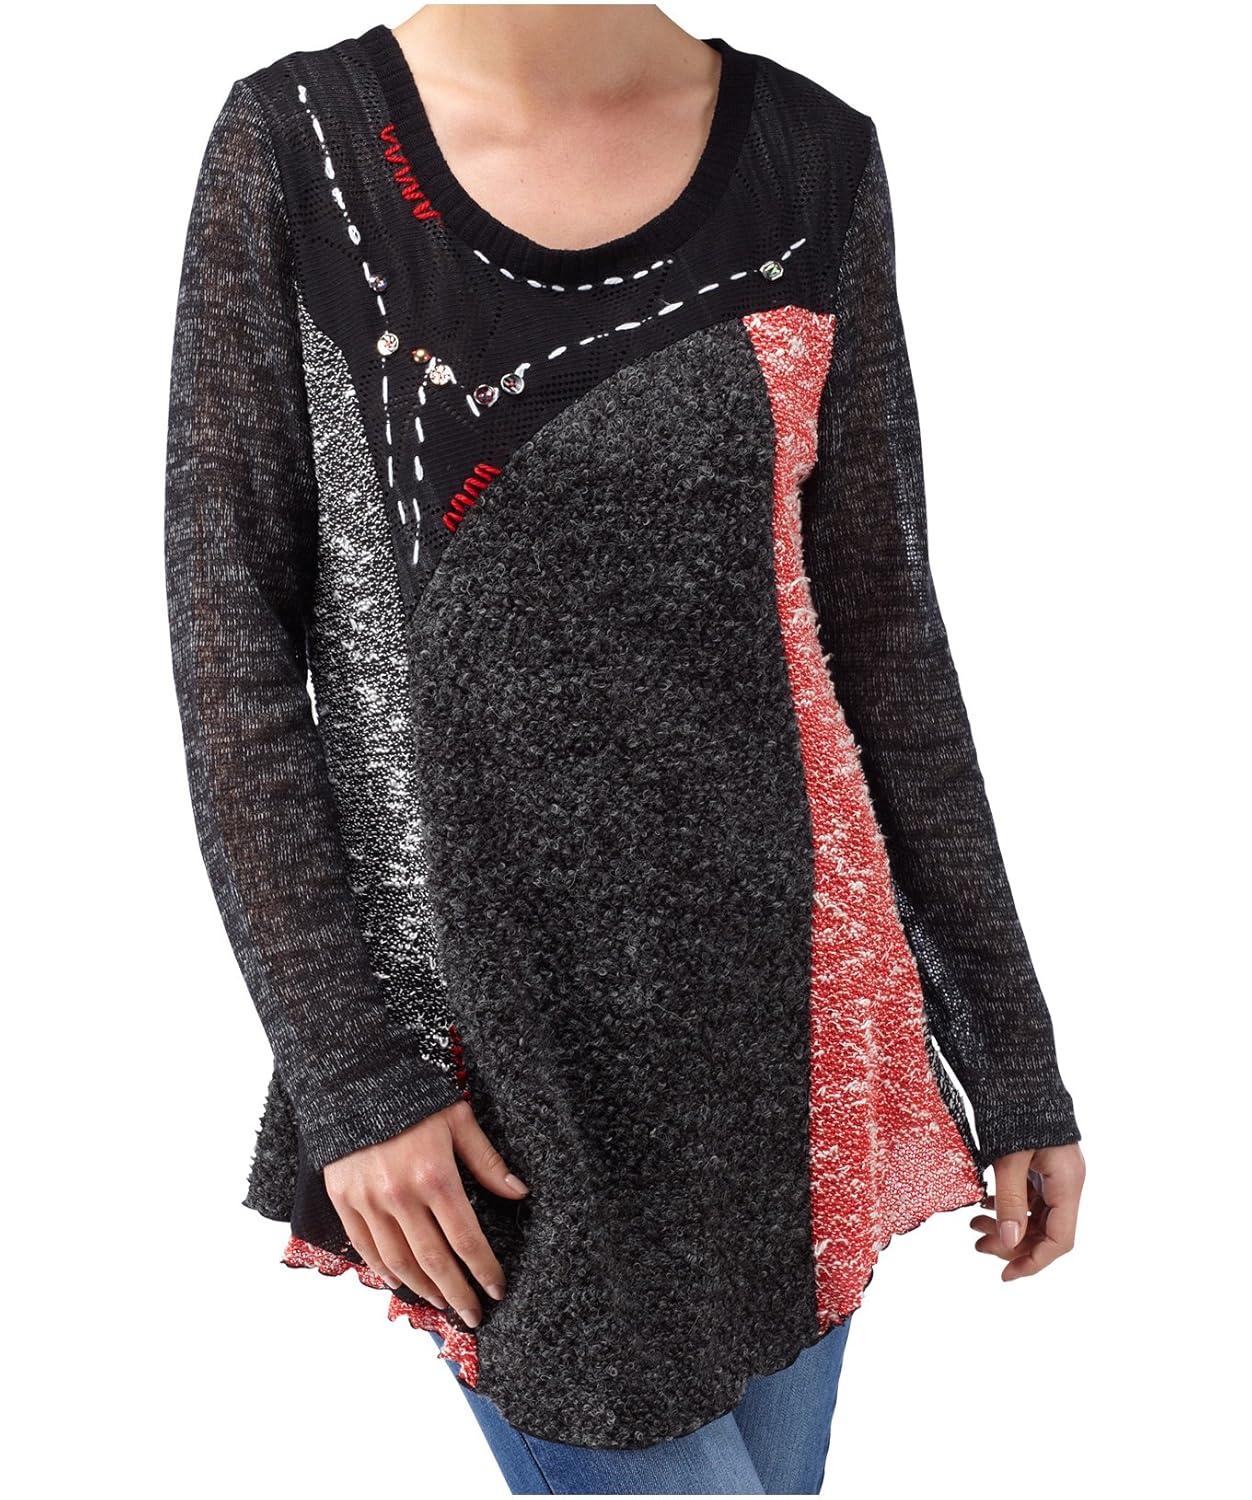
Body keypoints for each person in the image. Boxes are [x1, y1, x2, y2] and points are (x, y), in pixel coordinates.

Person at [163, 4, 1086, 1493]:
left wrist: (1013, 1056)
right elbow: (232, 652)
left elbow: (883, 636)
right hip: (496, 1068)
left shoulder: (811, 161)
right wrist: (352, 1072)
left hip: (790, 1035)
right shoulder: (304, 150)